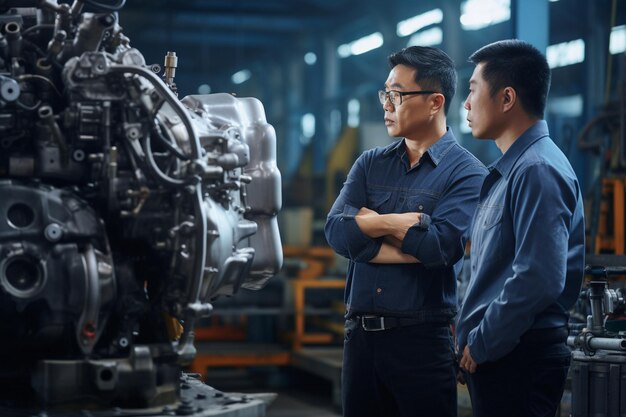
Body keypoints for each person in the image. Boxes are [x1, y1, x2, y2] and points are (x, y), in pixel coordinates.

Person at [324, 46, 487, 417]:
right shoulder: (370, 163)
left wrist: (366, 224)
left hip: (420, 343)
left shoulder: (467, 173)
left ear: (435, 103)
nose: (386, 104)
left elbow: (440, 249)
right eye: (385, 94)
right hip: (360, 340)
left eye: (396, 94)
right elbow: (336, 232)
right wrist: (396, 223)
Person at [456, 39, 585, 417]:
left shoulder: (536, 170)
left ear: (507, 98)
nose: (465, 104)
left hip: (519, 357)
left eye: (473, 90)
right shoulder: (511, 171)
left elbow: (538, 277)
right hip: (502, 355)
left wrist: (481, 343)